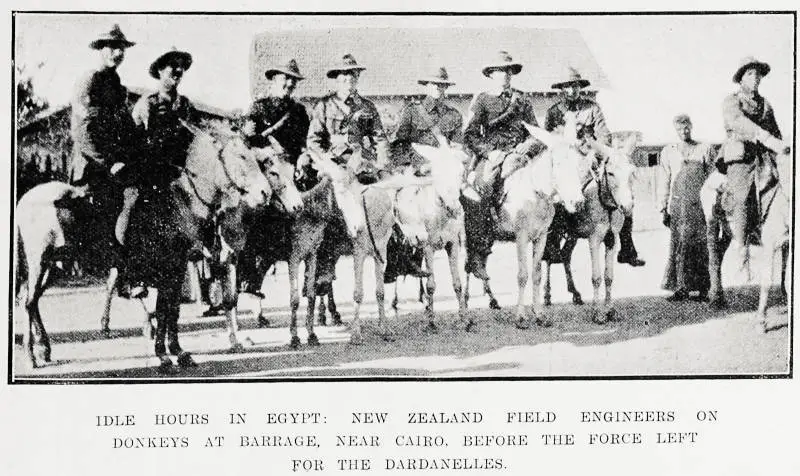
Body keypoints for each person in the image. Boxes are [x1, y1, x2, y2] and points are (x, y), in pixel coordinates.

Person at [542, 67, 645, 267]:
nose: (572, 91)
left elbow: (604, 135)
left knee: (620, 190)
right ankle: (552, 243)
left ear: (580, 88)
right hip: (566, 162)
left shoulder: (592, 108)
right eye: (567, 87)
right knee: (555, 195)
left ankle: (626, 247)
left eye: (575, 86)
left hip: (591, 158)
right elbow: (549, 140)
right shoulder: (553, 113)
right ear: (561, 89)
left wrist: (590, 148)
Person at [306, 54, 390, 294]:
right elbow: (313, 141)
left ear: (357, 79)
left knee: (384, 202)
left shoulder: (367, 107)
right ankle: (324, 267)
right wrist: (327, 164)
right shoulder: (323, 106)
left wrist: (382, 165)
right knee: (327, 209)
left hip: (359, 164)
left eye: (352, 77)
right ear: (335, 81)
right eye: (343, 78)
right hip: (331, 166)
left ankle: (396, 259)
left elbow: (380, 138)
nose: (348, 82)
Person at [118, 47, 196, 297]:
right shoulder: (147, 104)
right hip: (150, 173)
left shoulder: (185, 105)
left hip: (179, 174)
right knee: (139, 211)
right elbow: (133, 141)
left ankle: (202, 254)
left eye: (180, 66)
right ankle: (135, 275)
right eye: (171, 66)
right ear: (160, 72)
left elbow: (193, 139)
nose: (177, 70)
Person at [462, 51, 542, 280]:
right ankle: (480, 252)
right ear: (491, 74)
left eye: (508, 71)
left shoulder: (523, 99)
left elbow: (534, 131)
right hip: (493, 156)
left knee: (549, 188)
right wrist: (490, 151)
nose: (504, 75)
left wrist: (528, 146)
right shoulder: (483, 99)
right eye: (499, 71)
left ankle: (549, 237)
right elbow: (470, 135)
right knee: (481, 192)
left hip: (519, 155)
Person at [69, 24, 138, 274]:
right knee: (107, 208)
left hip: (115, 164)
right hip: (92, 163)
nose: (117, 53)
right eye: (112, 47)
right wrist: (109, 162)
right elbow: (83, 131)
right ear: (101, 49)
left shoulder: (118, 86)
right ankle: (109, 265)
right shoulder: (90, 80)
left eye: (121, 49)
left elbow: (126, 131)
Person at [238, 59, 310, 297]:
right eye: (284, 79)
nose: (288, 84)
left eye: (292, 80)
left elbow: (304, 144)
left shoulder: (299, 112)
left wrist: (302, 159)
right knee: (261, 210)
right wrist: (267, 151)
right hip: (265, 166)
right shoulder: (257, 108)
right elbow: (247, 140)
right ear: (273, 80)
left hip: (291, 167)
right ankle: (250, 271)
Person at [384, 66, 462, 282]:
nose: (438, 88)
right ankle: (404, 258)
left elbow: (457, 148)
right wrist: (413, 166)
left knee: (464, 202)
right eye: (434, 84)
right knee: (399, 204)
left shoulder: (454, 115)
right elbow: (399, 144)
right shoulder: (412, 111)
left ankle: (471, 250)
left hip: (443, 173)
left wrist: (448, 162)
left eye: (442, 84)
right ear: (427, 86)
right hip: (417, 171)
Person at [721, 56, 789, 268]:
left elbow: (775, 132)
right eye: (750, 74)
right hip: (741, 158)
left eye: (758, 74)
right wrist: (765, 137)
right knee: (741, 196)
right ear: (741, 79)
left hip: (764, 158)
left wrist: (783, 145)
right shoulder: (732, 101)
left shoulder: (765, 104)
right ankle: (741, 245)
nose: (756, 78)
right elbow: (737, 122)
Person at [658, 114, 714, 301]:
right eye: (680, 129)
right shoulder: (668, 151)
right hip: (678, 205)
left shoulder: (704, 149)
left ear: (692, 126)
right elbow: (664, 180)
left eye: (687, 127)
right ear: (676, 130)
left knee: (700, 245)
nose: (684, 131)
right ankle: (681, 288)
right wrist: (662, 207)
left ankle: (704, 289)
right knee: (679, 245)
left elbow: (712, 178)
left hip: (699, 205)